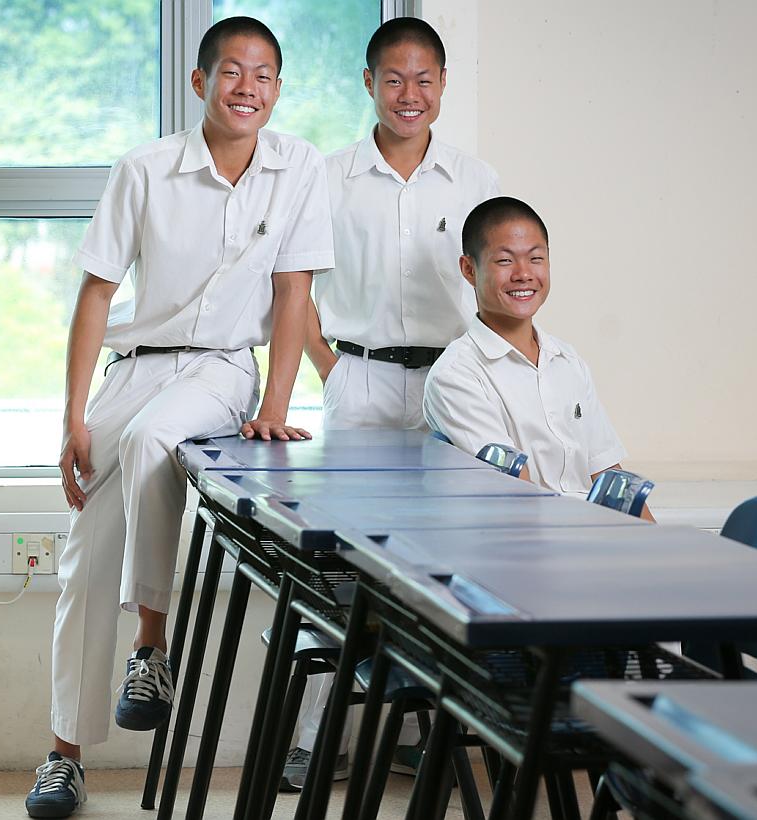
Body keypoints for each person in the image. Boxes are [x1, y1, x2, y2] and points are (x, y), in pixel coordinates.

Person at [26, 16, 335, 819]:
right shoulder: (147, 169)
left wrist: (276, 405)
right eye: (232, 72)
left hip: (224, 368)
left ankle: (150, 646)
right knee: (85, 560)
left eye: (265, 75)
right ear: (200, 83)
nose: (248, 88)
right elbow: (96, 292)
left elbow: (293, 292)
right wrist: (71, 416)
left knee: (159, 439)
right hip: (136, 369)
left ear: (277, 89)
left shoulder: (299, 167)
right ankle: (65, 755)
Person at [283, 16, 501, 791]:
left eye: (426, 80)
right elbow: (296, 284)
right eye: (395, 79)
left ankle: (434, 735)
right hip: (363, 382)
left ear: (443, 86)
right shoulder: (329, 177)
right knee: (343, 562)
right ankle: (315, 739)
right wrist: (327, 367)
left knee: (448, 565)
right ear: (369, 83)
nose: (411, 95)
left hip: (455, 385)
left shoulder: (475, 180)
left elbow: (499, 284)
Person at [423, 195, 652, 521]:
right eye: (504, 261)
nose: (523, 274)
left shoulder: (567, 360)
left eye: (536, 259)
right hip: (530, 549)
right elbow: (515, 497)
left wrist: (659, 546)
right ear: (469, 269)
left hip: (593, 540)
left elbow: (608, 476)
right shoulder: (457, 375)